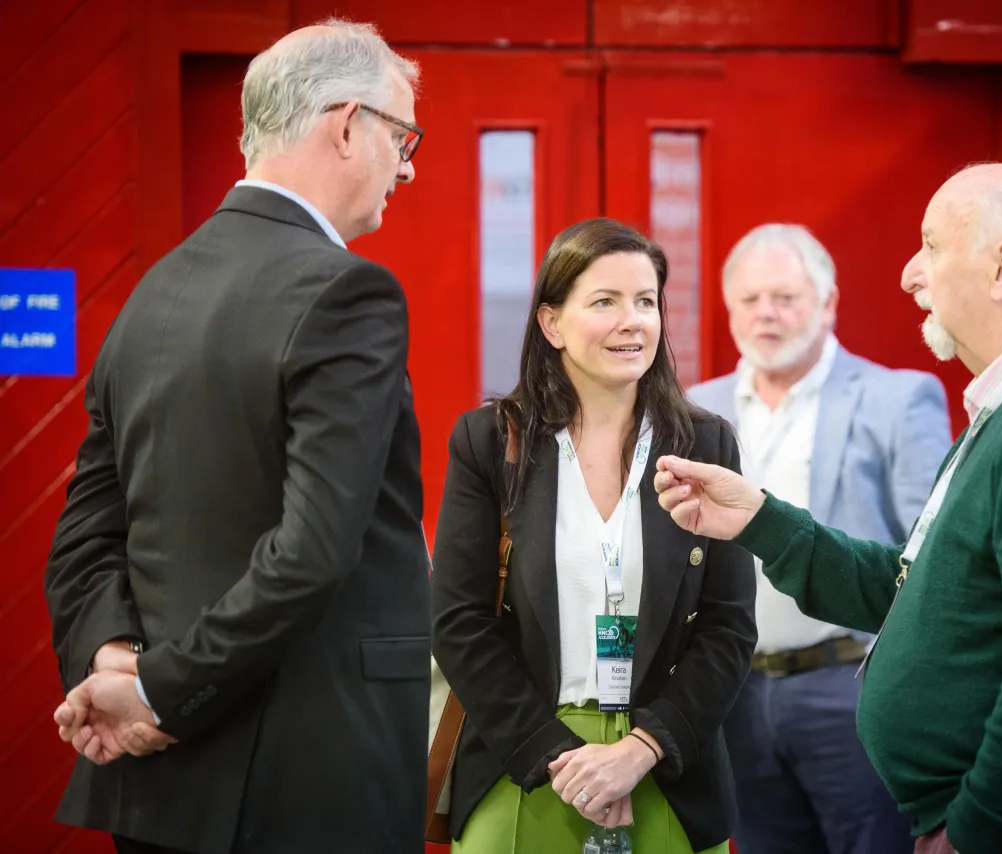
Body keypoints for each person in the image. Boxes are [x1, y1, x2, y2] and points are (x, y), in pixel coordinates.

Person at [653, 163, 1002, 854]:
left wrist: (977, 828)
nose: (909, 274)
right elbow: (916, 591)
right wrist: (759, 519)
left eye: (931, 245)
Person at [43, 20, 431, 854]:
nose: (405, 165)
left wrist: (113, 663)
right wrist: (153, 692)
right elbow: (316, 549)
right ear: (345, 124)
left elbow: (81, 538)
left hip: (156, 790)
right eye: (402, 136)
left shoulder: (152, 292)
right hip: (310, 781)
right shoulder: (350, 293)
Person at [431, 217, 757, 853]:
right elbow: (458, 623)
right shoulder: (493, 442)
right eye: (604, 302)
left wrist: (642, 748)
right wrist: (559, 758)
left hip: (667, 764)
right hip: (525, 764)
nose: (631, 321)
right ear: (552, 324)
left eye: (645, 301)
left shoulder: (704, 443)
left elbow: (729, 625)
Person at [687, 224, 950, 854]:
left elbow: (935, 556)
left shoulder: (898, 398)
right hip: (735, 691)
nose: (765, 314)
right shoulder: (696, 408)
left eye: (785, 297)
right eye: (749, 300)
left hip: (850, 686)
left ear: (829, 304)